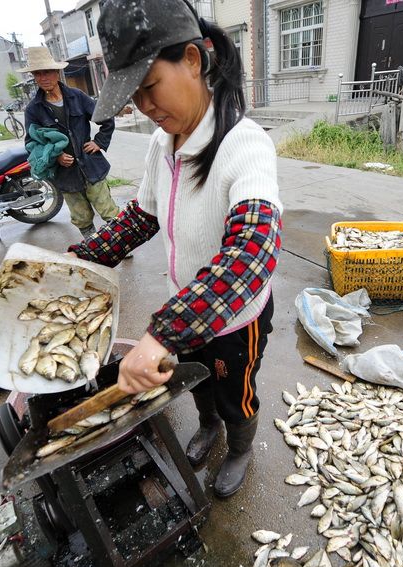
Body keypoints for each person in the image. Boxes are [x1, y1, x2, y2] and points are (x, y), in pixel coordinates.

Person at [67, 0, 282, 497]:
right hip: (185, 308)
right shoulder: (161, 146)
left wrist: (161, 333)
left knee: (235, 393)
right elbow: (143, 215)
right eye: (133, 97)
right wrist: (84, 256)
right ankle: (207, 427)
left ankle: (240, 444)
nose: (144, 107)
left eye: (148, 88)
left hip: (234, 321)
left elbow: (253, 251)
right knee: (195, 383)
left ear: (191, 59)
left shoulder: (245, 145)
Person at [20, 47, 120, 239]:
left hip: (91, 166)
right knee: (81, 217)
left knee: (108, 210)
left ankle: (121, 244)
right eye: (38, 74)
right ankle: (93, 246)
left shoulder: (77, 96)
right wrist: (55, 156)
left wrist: (99, 141)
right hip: (65, 175)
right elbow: (31, 143)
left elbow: (106, 118)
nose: (43, 77)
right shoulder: (33, 109)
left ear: (57, 72)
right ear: (34, 77)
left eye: (47, 72)